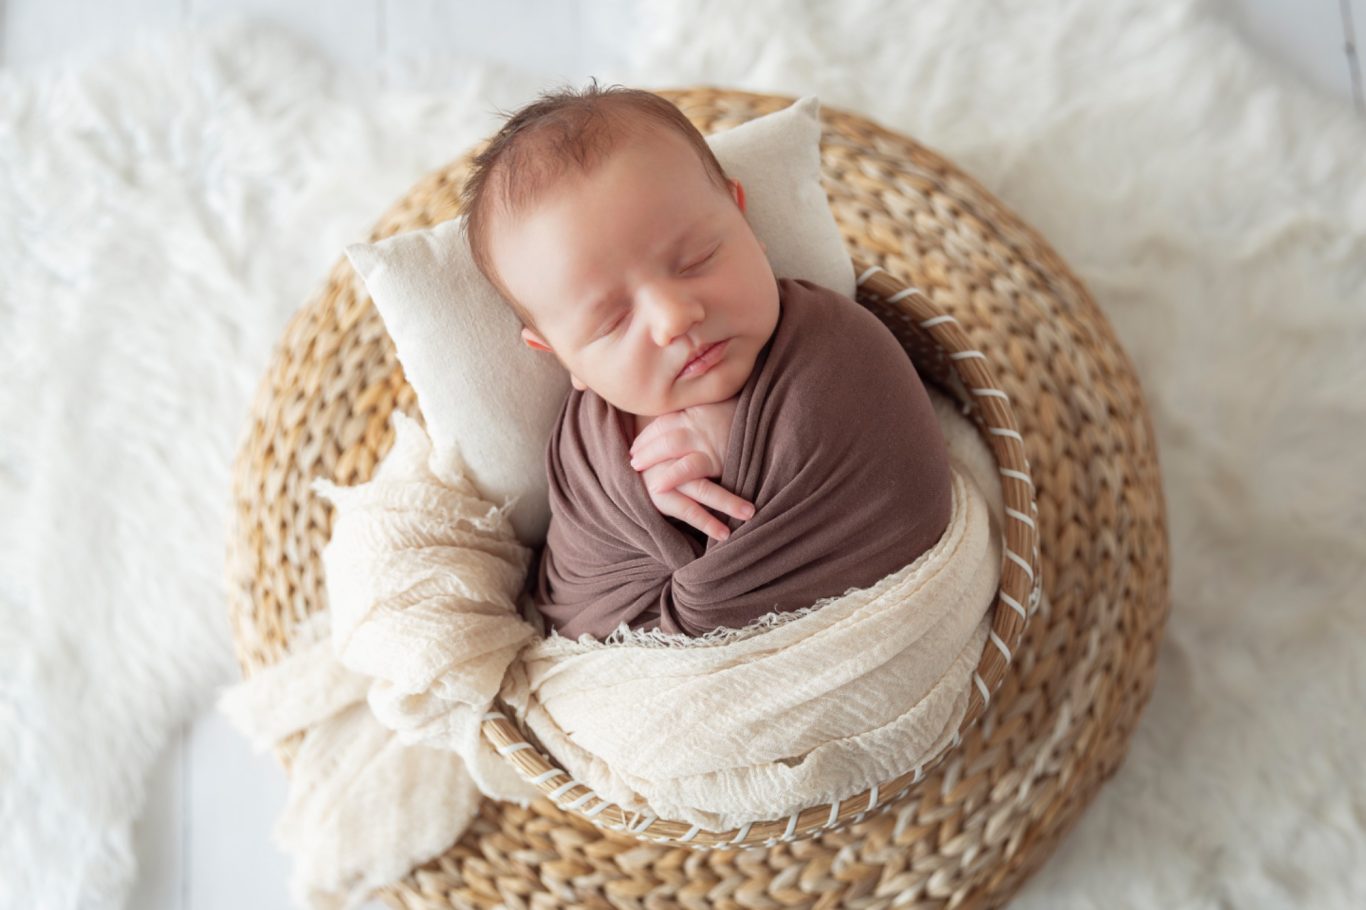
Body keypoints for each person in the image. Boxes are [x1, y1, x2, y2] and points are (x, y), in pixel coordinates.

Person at [460, 81, 953, 639]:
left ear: (743, 220)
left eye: (696, 259)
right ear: (563, 357)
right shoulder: (582, 454)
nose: (674, 318)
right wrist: (649, 501)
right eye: (614, 320)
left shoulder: (839, 344)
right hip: (639, 691)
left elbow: (897, 468)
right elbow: (579, 604)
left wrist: (745, 439)